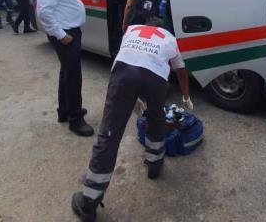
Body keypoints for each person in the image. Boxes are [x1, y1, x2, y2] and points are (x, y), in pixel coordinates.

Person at [71, 17, 193, 221]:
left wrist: (132, 95)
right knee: (157, 120)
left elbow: (131, 58)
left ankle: (89, 201)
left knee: (109, 134)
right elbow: (181, 71)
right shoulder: (170, 38)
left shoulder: (132, 29)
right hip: (157, 80)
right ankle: (154, 166)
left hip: (125, 75)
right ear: (163, 29)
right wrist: (186, 97)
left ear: (147, 25)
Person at [36, 0, 93, 137]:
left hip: (71, 31)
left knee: (66, 73)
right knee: (73, 77)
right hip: (65, 34)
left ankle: (65, 111)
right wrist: (62, 35)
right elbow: (45, 13)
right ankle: (75, 120)